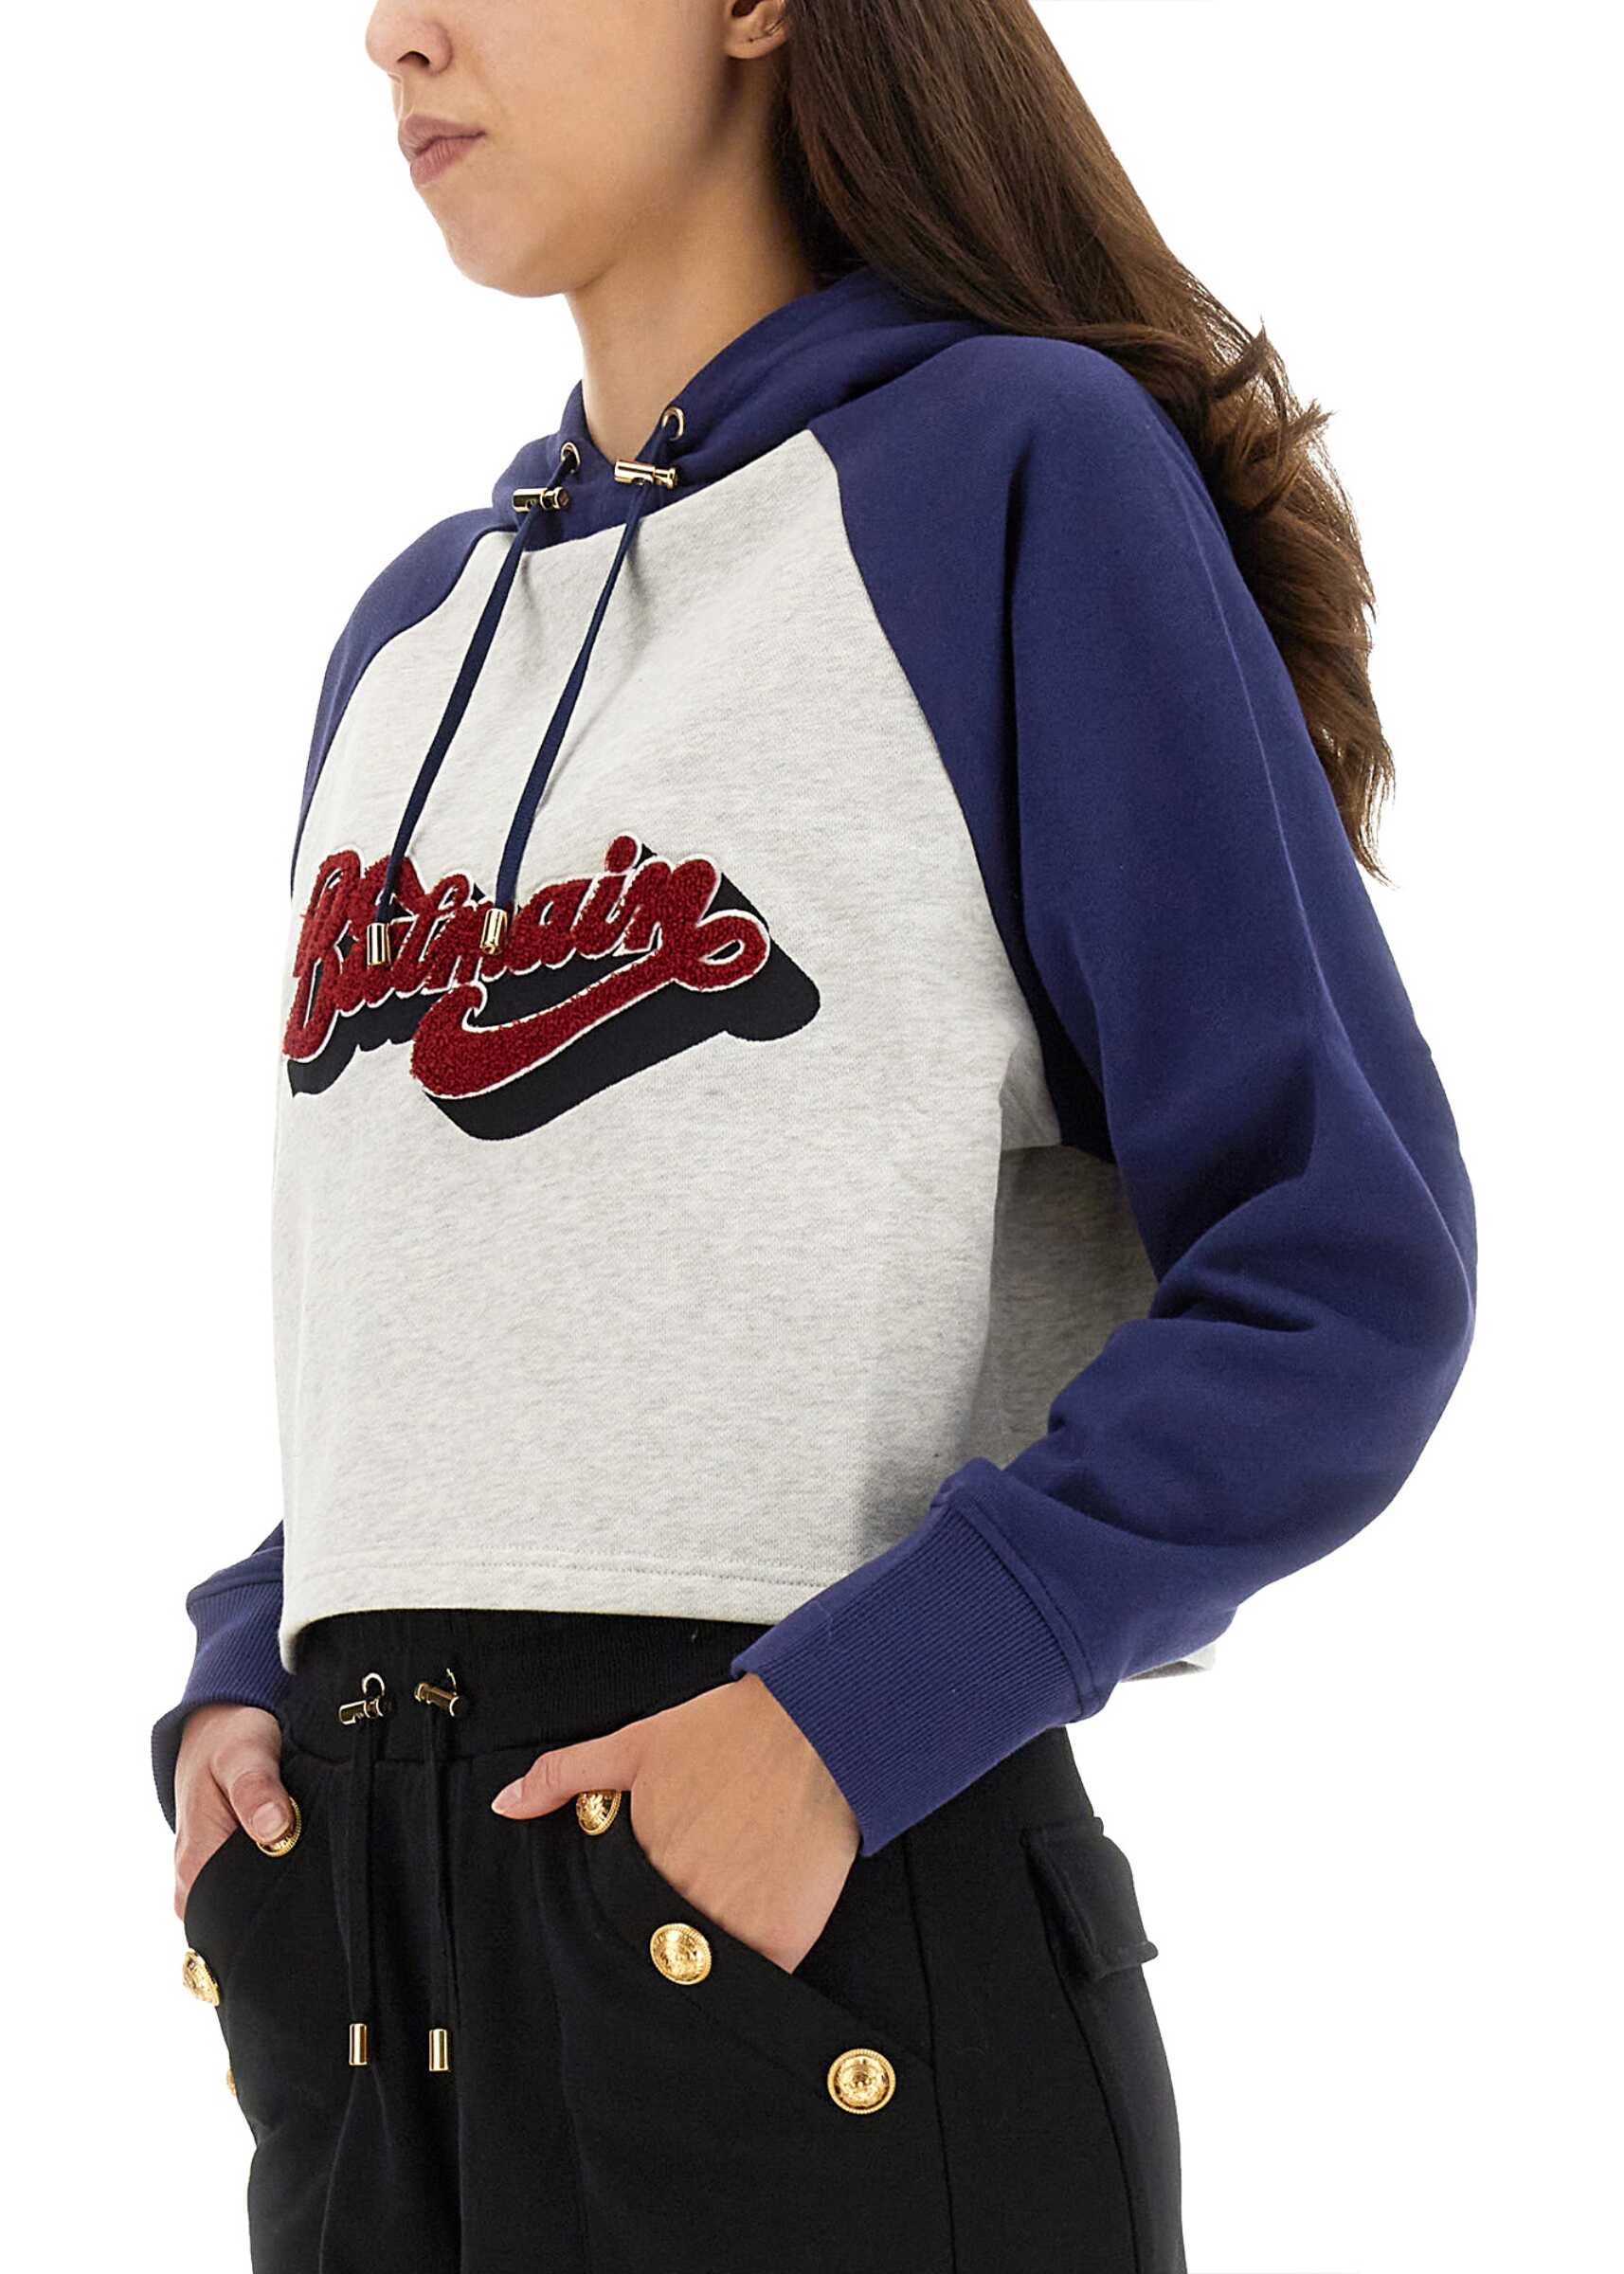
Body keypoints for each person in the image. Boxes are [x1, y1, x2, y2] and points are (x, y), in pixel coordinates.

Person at [153, 5, 1478, 2269]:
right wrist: (252, 1664)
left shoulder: (1005, 475)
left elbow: (1335, 1271)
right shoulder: (412, 639)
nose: (395, 31)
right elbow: (496, 1298)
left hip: (803, 1965)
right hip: (360, 1995)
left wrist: (836, 1732)